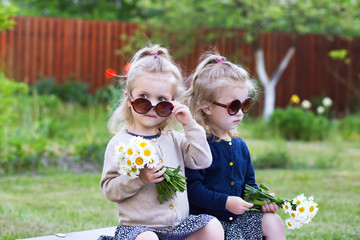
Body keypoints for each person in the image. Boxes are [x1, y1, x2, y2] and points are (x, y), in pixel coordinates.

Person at [99, 45, 224, 240]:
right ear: (128, 99)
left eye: (162, 100)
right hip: (139, 230)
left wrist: (189, 125)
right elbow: (110, 189)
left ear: (173, 104)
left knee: (213, 226)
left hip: (179, 227)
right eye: (143, 98)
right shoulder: (119, 144)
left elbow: (202, 161)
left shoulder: (174, 138)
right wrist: (138, 179)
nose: (152, 106)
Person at [185, 52, 286, 240]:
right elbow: (192, 190)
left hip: (236, 221)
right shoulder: (198, 146)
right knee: (213, 229)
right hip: (206, 224)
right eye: (233, 106)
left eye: (245, 105)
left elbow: (249, 185)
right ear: (207, 107)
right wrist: (225, 202)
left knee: (273, 221)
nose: (240, 113)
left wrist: (260, 199)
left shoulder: (240, 146)